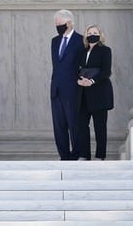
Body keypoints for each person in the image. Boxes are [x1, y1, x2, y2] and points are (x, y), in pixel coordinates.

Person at [50, 9, 84, 160]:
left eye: (60, 24)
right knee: (59, 125)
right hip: (56, 89)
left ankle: (76, 155)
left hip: (73, 89)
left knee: (74, 124)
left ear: (69, 23)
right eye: (56, 24)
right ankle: (64, 156)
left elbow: (84, 65)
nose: (57, 27)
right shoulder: (54, 41)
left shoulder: (81, 40)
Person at [76, 24, 114, 160]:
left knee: (100, 126)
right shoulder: (82, 51)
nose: (92, 34)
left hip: (100, 93)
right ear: (86, 35)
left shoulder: (105, 50)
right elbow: (76, 69)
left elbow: (106, 71)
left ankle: (100, 156)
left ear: (100, 35)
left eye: (95, 32)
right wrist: (79, 80)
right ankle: (84, 155)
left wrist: (91, 81)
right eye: (89, 32)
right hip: (83, 94)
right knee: (82, 125)